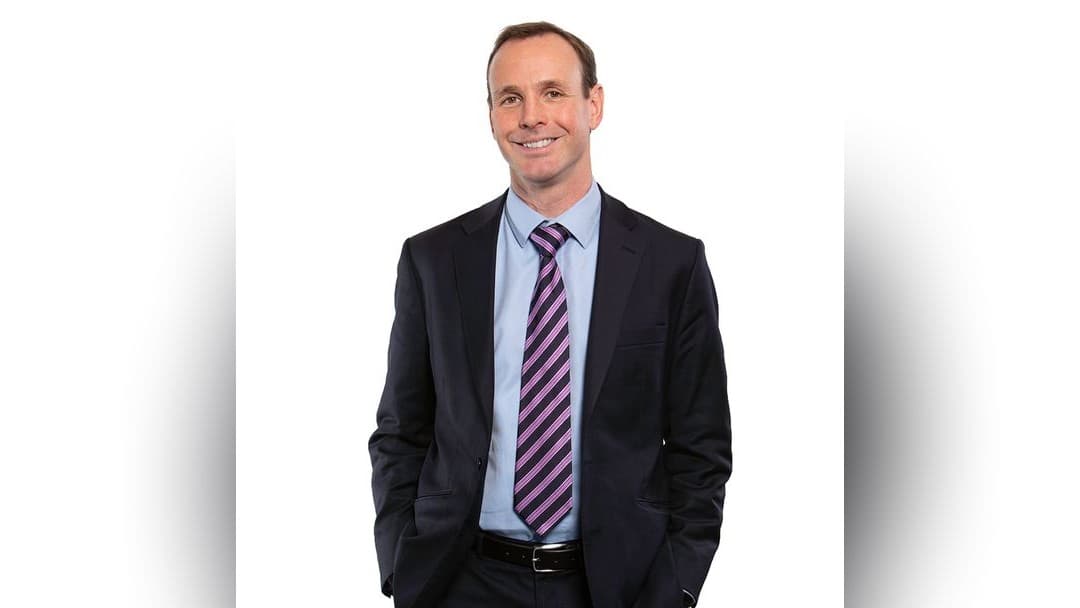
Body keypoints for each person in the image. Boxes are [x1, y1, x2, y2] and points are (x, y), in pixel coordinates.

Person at [369, 21, 732, 608]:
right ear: (491, 116)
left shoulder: (671, 263)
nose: (531, 116)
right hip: (461, 581)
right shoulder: (433, 260)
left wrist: (674, 590)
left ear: (594, 105)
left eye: (553, 92)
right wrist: (400, 567)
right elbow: (401, 432)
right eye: (510, 98)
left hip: (616, 587)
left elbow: (701, 450)